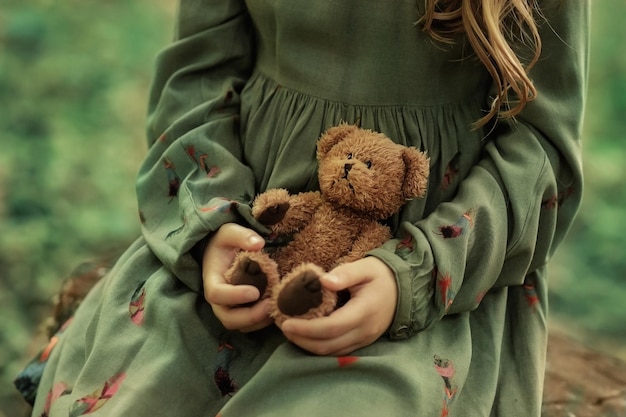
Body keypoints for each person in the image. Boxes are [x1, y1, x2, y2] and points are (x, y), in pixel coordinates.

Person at [21, 0, 588, 415]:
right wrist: (213, 223)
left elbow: (542, 148)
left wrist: (415, 274)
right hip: (246, 234)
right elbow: (198, 77)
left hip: (436, 278)